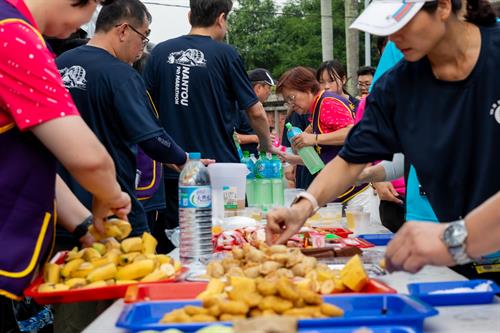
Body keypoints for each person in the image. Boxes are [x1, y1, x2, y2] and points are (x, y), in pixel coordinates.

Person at [266, 0, 499, 278]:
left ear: (444, 6)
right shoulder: (399, 86)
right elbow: (352, 157)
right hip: (455, 246)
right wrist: (303, 208)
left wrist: (456, 239)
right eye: (389, 27)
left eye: (404, 22)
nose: (394, 37)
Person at [0, 0, 132, 328]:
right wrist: (111, 197)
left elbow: (28, 163)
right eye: (95, 7)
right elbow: (90, 160)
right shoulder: (12, 36)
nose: (86, 25)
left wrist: (86, 225)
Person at [143, 0, 277, 253]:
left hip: (176, 169)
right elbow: (256, 111)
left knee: (181, 245)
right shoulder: (226, 54)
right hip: (222, 173)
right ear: (221, 18)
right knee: (231, 241)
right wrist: (266, 144)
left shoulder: (160, 53)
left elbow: (145, 109)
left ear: (191, 15)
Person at [56, 0, 187, 238]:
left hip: (60, 211)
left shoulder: (56, 64)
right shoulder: (121, 75)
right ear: (124, 30)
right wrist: (183, 158)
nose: (142, 48)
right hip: (113, 212)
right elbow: (152, 139)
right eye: (144, 36)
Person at [277, 67, 375, 210]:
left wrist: (314, 138)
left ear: (307, 89)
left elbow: (353, 133)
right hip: (344, 192)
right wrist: (295, 159)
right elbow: (329, 156)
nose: (291, 104)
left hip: (357, 194)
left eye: (292, 98)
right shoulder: (317, 108)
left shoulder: (327, 103)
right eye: (287, 101)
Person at [235, 68, 276, 156]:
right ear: (258, 88)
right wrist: (257, 138)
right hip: (243, 163)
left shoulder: (257, 107)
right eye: (268, 88)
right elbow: (232, 137)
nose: (269, 92)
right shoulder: (239, 107)